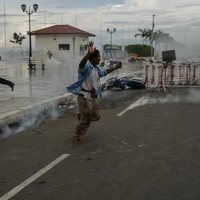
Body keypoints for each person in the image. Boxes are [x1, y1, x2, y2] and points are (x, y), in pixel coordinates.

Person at [66, 41, 122, 143]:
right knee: (86, 120)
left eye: (99, 57)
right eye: (98, 57)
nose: (99, 59)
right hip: (84, 96)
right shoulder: (86, 67)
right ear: (92, 58)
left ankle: (81, 114)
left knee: (97, 116)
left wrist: (116, 67)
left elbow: (105, 72)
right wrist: (88, 53)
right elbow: (81, 64)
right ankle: (77, 135)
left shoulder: (97, 69)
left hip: (93, 97)